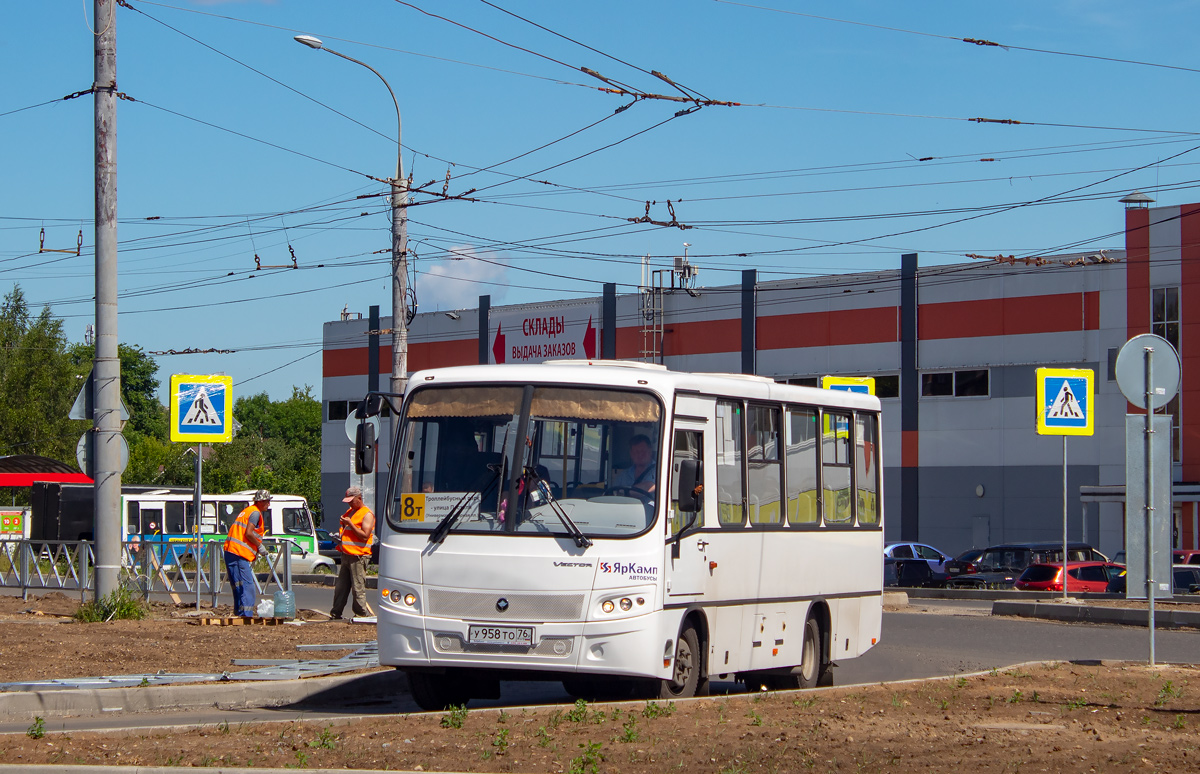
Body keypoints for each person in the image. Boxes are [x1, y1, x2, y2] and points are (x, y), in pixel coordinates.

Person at [331, 485, 376, 620]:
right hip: (346, 554)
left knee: (357, 587)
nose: (350, 503)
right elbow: (347, 533)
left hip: (358, 556)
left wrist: (350, 524)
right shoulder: (350, 512)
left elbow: (364, 535)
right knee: (341, 587)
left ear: (359, 498)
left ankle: (361, 614)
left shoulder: (367, 514)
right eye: (348, 501)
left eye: (352, 500)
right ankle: (336, 613)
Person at [223, 490, 270, 618]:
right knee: (248, 586)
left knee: (238, 585)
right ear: (260, 501)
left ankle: (240, 613)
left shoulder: (247, 511)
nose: (269, 504)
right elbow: (248, 533)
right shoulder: (255, 513)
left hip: (231, 551)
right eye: (267, 501)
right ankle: (246, 615)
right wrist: (259, 546)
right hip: (238, 553)